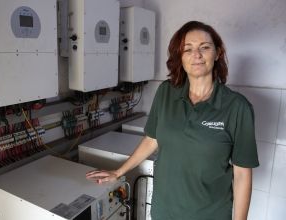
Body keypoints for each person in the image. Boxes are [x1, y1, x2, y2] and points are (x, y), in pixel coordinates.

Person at [86, 21, 259, 220]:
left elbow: (242, 174)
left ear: (217, 53)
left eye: (205, 47)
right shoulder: (166, 92)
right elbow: (152, 139)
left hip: (210, 214)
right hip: (164, 211)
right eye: (188, 49)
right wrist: (118, 172)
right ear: (180, 57)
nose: (197, 55)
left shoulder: (237, 107)